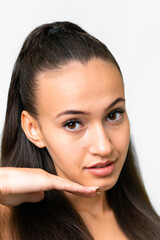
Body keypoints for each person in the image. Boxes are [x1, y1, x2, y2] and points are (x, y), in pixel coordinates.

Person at [0, 21, 159, 240]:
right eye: (73, 123)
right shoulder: (8, 224)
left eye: (113, 115)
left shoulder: (146, 222)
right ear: (33, 129)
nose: (104, 146)